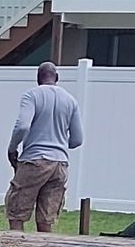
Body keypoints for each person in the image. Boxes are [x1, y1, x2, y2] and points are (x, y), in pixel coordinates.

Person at [5, 60, 83, 232]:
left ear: (38, 78)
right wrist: (60, 144)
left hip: (35, 160)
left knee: (17, 211)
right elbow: (77, 139)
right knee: (46, 217)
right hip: (60, 164)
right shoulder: (71, 101)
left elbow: (22, 126)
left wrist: (12, 148)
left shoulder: (32, 95)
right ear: (57, 77)